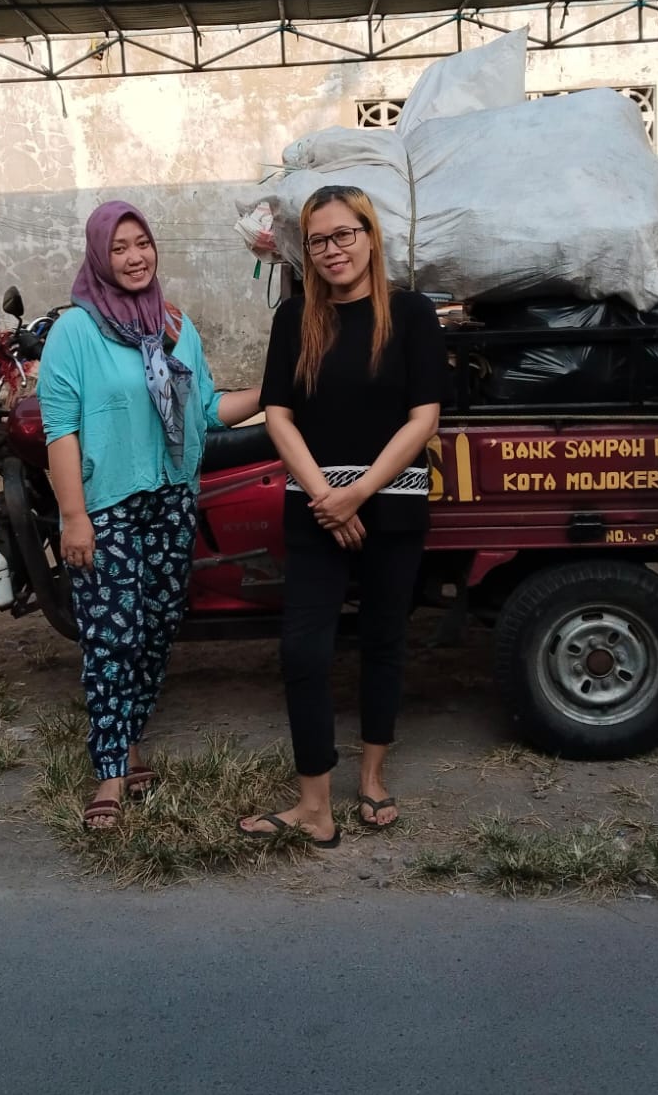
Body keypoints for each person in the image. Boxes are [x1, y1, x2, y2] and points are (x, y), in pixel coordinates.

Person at [40, 202, 259, 831]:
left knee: (158, 625)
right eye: (120, 248)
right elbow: (60, 430)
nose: (135, 257)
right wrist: (73, 517)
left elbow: (206, 409)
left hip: (171, 498)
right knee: (113, 636)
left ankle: (131, 736)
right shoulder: (75, 333)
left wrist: (275, 392)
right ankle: (110, 771)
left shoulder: (173, 325)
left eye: (143, 243)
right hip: (105, 505)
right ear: (98, 256)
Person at [239, 185, 446, 849]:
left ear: (369, 236)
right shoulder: (294, 319)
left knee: (384, 640)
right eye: (319, 240)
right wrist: (328, 496)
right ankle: (314, 805)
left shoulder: (411, 314)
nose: (332, 250)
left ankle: (373, 776)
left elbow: (424, 417)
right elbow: (278, 415)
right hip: (315, 506)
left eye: (344, 234)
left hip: (391, 504)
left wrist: (358, 494)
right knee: (303, 649)